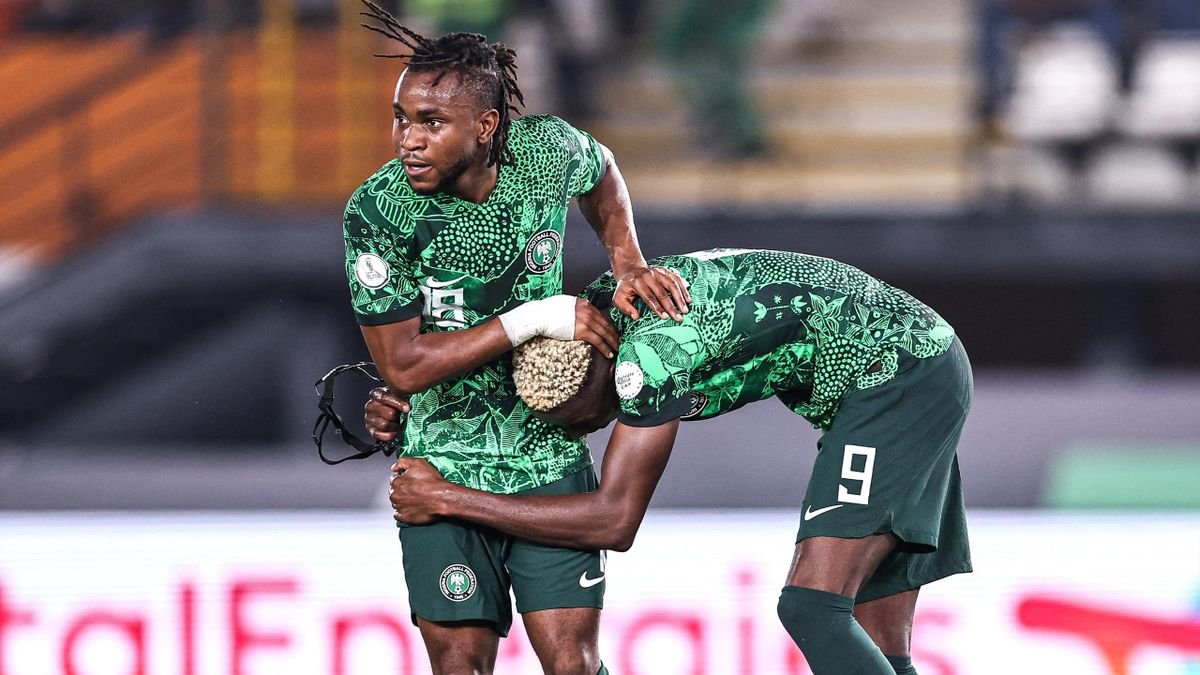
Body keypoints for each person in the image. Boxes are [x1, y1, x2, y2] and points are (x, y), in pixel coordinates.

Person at [373, 248, 973, 675]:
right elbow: (504, 370)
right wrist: (411, 403)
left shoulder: (647, 364)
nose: (585, 433)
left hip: (896, 374)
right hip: (916, 361)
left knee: (812, 605)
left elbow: (615, 522)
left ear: (608, 379)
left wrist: (447, 497)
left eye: (587, 420)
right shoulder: (585, 318)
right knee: (876, 638)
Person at [340, 3, 690, 674]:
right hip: (439, 465)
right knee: (460, 664)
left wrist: (628, 261)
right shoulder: (378, 212)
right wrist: (538, 316)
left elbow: (603, 171)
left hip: (546, 457)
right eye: (401, 118)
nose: (407, 139)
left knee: (573, 663)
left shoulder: (546, 151)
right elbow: (405, 366)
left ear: (487, 125)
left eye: (431, 122)